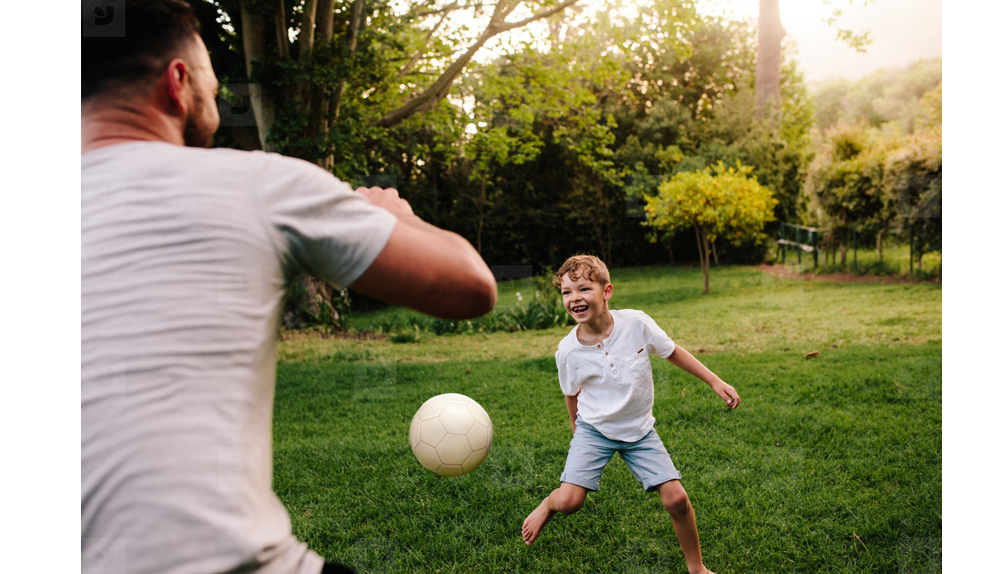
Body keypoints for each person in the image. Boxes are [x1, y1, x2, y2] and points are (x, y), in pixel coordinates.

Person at [81, 2, 497, 573]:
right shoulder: (254, 181)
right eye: (212, 83)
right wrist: (398, 215)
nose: (217, 99)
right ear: (178, 83)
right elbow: (470, 287)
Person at [520, 255, 740, 574]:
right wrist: (576, 432)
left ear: (607, 291)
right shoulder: (568, 351)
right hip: (594, 429)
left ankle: (698, 569)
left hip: (639, 430)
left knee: (676, 499)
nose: (574, 298)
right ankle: (548, 504)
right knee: (570, 502)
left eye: (583, 288)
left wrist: (715, 380)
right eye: (567, 292)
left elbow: (672, 351)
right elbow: (571, 395)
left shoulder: (636, 324)